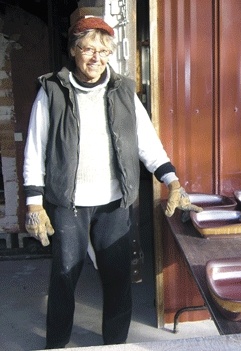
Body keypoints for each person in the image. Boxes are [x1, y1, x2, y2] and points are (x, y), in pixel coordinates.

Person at [22, 16, 202, 348]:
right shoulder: (52, 90)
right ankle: (56, 344)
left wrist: (172, 181)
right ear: (74, 51)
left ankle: (115, 344)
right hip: (68, 204)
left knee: (118, 279)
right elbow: (35, 148)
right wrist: (34, 203)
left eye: (103, 51)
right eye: (88, 49)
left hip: (114, 202)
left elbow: (147, 142)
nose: (96, 58)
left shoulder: (123, 91)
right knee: (64, 277)